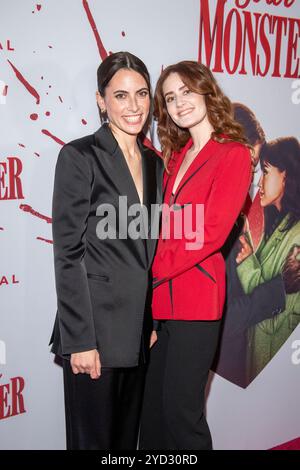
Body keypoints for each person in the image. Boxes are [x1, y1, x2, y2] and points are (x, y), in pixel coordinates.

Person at [49, 51, 164, 450]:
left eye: (142, 94)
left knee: (124, 444)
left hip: (138, 334)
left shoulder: (155, 163)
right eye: (120, 95)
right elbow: (67, 254)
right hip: (93, 333)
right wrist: (80, 338)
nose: (133, 106)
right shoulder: (79, 157)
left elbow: (148, 250)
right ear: (101, 100)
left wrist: (150, 321)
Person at [139, 61, 252, 450]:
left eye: (186, 91)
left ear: (207, 91)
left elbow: (209, 232)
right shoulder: (176, 156)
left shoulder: (233, 154)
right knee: (151, 413)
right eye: (170, 98)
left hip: (196, 304)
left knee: (181, 415)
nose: (179, 103)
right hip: (160, 305)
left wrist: (148, 270)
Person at [213, 104, 297, 388]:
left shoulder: (243, 220)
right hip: (219, 371)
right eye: (250, 164)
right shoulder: (202, 216)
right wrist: (278, 286)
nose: (253, 178)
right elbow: (221, 321)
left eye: (259, 167)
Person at [236, 137, 300, 382]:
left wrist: (247, 263)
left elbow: (277, 313)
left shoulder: (296, 236)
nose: (258, 182)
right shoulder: (282, 222)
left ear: (286, 175)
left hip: (274, 371)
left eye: (265, 172)